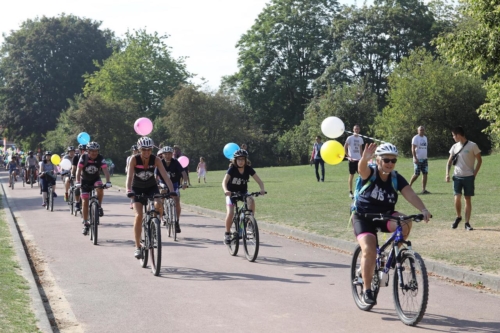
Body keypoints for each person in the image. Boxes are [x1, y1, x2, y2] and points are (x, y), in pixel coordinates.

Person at [351, 142, 431, 305]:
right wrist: (364, 160)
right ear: (378, 160)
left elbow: (410, 194)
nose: (389, 164)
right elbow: (362, 170)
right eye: (386, 160)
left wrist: (423, 209)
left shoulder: (395, 178)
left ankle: (393, 256)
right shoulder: (370, 172)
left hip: (385, 215)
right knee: (369, 250)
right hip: (363, 217)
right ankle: (367, 291)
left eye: (393, 161)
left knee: (406, 222)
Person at [126, 137, 175, 259]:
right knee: (138, 216)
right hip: (137, 189)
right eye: (144, 150)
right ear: (139, 149)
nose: (147, 152)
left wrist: (172, 191)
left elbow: (165, 176)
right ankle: (137, 247)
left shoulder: (156, 159)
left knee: (158, 205)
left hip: (151, 187)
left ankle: (155, 225)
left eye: (149, 149)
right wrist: (128, 190)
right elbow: (130, 176)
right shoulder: (134, 159)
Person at [222, 149, 265, 245]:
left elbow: (259, 181)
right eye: (238, 159)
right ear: (235, 160)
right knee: (230, 213)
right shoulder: (232, 169)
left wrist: (262, 189)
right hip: (231, 193)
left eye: (243, 159)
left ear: (246, 160)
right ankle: (227, 233)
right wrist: (226, 191)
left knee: (251, 199)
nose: (241, 161)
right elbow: (224, 182)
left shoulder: (248, 169)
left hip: (243, 192)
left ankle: (250, 222)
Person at [446, 126, 481, 231]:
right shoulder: (454, 147)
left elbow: (479, 160)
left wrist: (474, 174)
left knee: (467, 199)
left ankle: (467, 223)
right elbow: (449, 161)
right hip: (457, 176)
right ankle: (458, 217)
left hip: (469, 177)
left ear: (458, 135)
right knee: (457, 197)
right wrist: (447, 174)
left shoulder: (472, 146)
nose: (453, 137)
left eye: (453, 135)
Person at [75, 142, 112, 235]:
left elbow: (105, 170)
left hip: (96, 179)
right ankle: (86, 223)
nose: (94, 153)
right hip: (85, 180)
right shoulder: (83, 157)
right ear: (88, 151)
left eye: (96, 151)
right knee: (85, 200)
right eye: (92, 151)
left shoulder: (100, 158)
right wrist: (78, 182)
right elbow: (78, 171)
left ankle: (99, 206)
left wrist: (108, 182)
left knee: (100, 187)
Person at [157, 146, 187, 233]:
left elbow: (183, 173)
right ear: (162, 155)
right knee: (161, 197)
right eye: (165, 154)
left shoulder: (175, 162)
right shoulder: (160, 163)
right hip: (163, 184)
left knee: (177, 200)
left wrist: (185, 182)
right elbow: (156, 176)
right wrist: (158, 185)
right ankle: (163, 216)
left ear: (172, 154)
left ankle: (177, 221)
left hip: (174, 184)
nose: (167, 156)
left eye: (169, 154)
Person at [344, 125, 364, 198]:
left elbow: (361, 150)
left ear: (359, 130)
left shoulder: (360, 139)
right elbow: (345, 147)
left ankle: (361, 190)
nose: (357, 130)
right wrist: (348, 156)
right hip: (352, 160)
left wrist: (362, 158)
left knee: (362, 175)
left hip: (359, 160)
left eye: (358, 129)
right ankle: (350, 192)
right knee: (351, 175)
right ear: (353, 129)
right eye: (355, 129)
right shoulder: (349, 138)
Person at [409, 126, 430, 194]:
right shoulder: (415, 138)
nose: (422, 131)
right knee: (417, 174)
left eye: (423, 130)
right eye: (420, 130)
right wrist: (415, 157)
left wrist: (426, 156)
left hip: (424, 159)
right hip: (418, 159)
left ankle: (424, 189)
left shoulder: (425, 138)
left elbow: (425, 148)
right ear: (418, 131)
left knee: (425, 173)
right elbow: (413, 149)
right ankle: (409, 186)